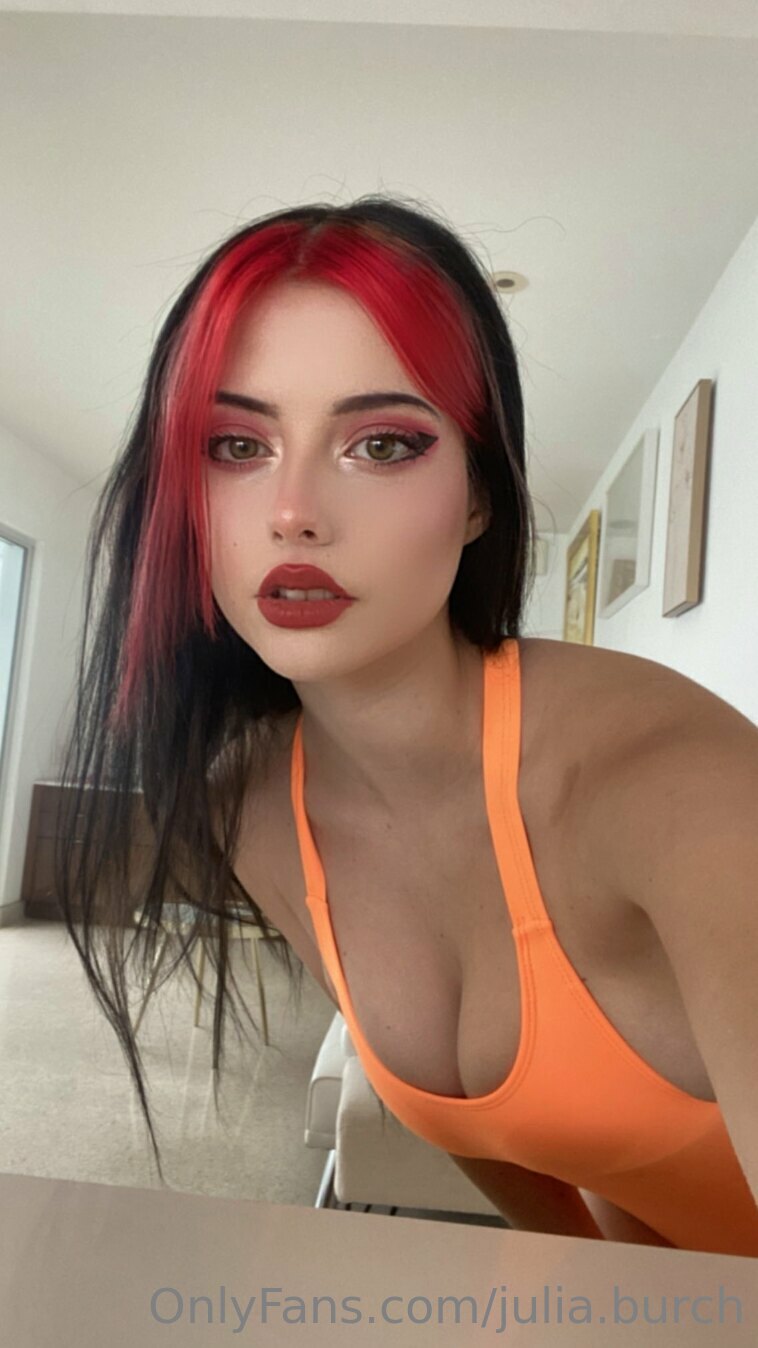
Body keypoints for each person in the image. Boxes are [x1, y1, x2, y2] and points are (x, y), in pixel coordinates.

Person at [55, 194, 758, 1256]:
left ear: (479, 496)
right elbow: (494, 1135)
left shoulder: (677, 791)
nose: (292, 512)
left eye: (381, 443)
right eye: (235, 444)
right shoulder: (250, 802)